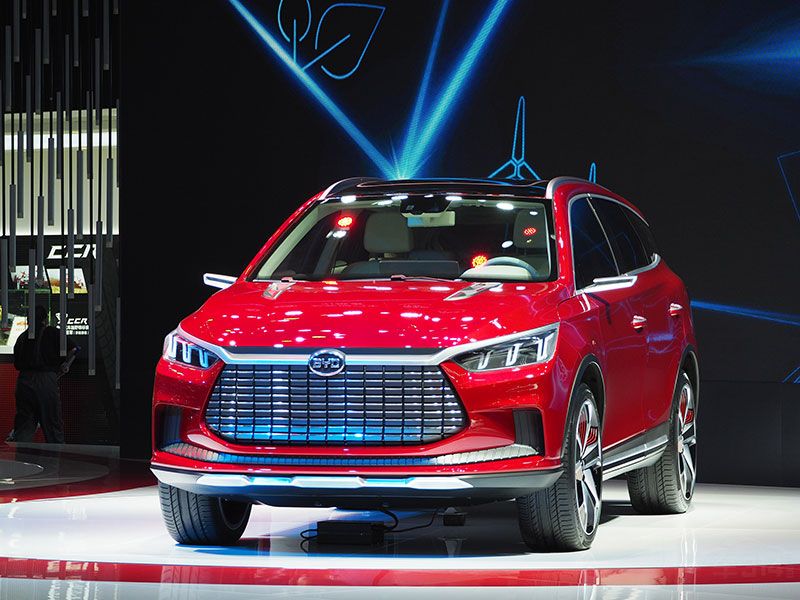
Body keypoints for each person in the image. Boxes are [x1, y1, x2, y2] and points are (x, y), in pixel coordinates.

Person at [7, 306, 76, 443]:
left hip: (23, 382)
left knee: (24, 425)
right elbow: (73, 349)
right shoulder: (52, 332)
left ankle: (22, 455)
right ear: (45, 319)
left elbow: (17, 363)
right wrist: (65, 365)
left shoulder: (22, 337)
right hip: (46, 381)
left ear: (28, 320)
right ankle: (56, 455)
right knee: (52, 424)